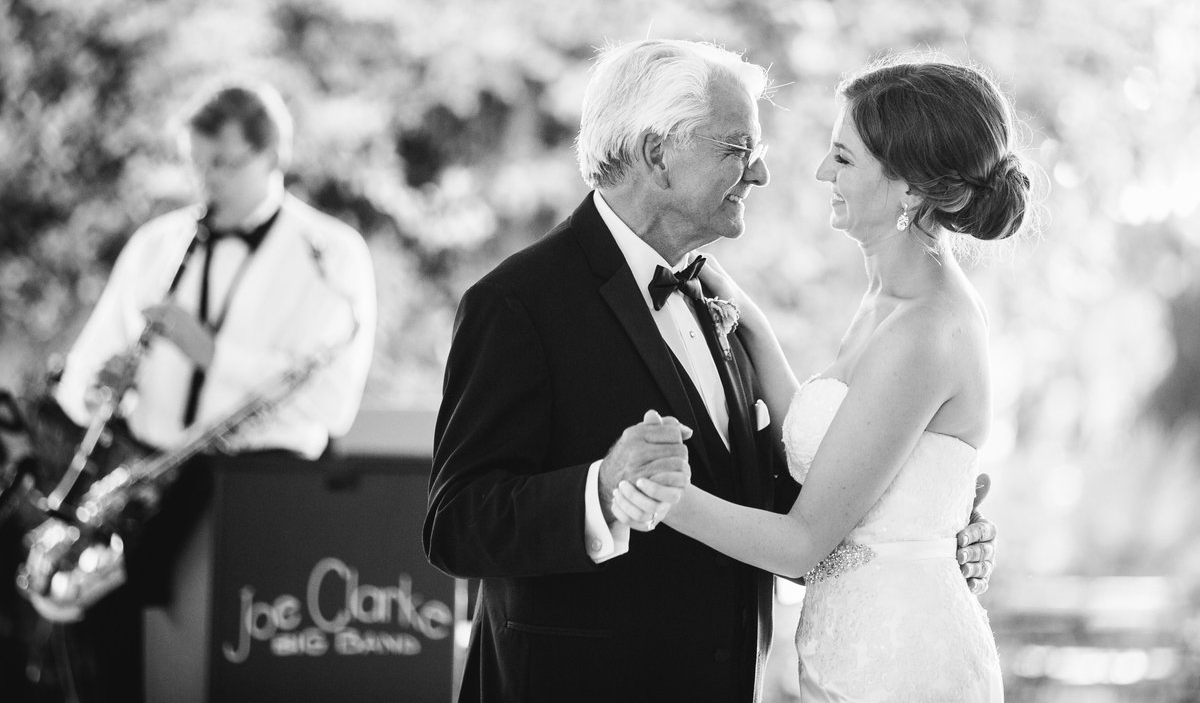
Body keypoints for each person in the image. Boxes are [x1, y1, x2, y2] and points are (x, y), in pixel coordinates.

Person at [423, 40, 996, 703]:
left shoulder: (716, 298)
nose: (761, 174)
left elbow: (791, 503)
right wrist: (601, 489)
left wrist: (922, 532)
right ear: (656, 153)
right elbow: (456, 524)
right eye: (736, 148)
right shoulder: (519, 304)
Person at [612, 55, 1025, 700]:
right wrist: (745, 320)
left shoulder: (926, 329)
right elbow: (828, 440)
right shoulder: (886, 301)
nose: (819, 172)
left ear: (910, 189)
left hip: (903, 666)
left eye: (844, 158)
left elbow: (802, 543)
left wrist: (658, 496)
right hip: (847, 652)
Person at [32, 79, 377, 702]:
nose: (205, 182)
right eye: (196, 164)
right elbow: (81, 375)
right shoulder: (157, 244)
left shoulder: (331, 253)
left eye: (224, 164)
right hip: (148, 476)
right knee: (110, 647)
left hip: (270, 492)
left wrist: (212, 354)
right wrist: (99, 387)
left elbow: (333, 405)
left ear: (274, 155)